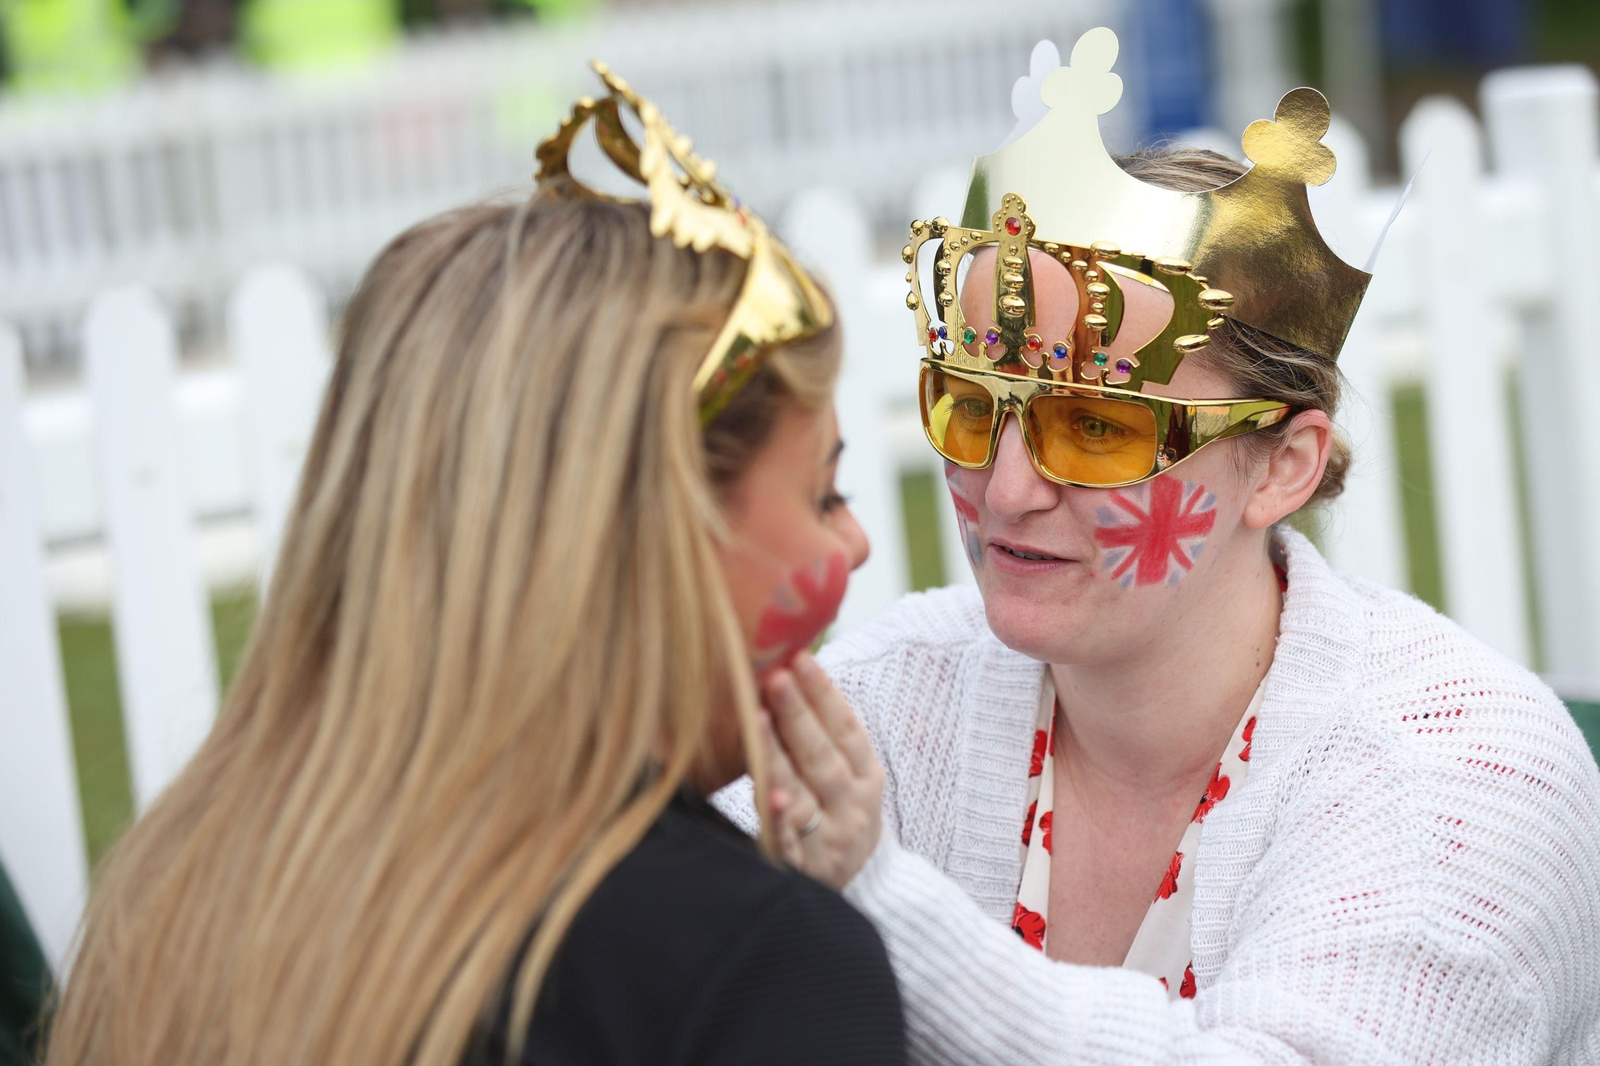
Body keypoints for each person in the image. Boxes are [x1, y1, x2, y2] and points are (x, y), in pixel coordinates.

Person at [724, 28, 1600, 1065]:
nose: (1004, 491)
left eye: (1097, 427)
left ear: (1282, 467)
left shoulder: (1459, 775)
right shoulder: (895, 700)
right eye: (969, 407)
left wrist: (874, 899)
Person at [43, 65, 903, 1066]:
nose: (855, 542)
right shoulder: (759, 965)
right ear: (658, 531)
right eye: (821, 494)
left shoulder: (184, 882)